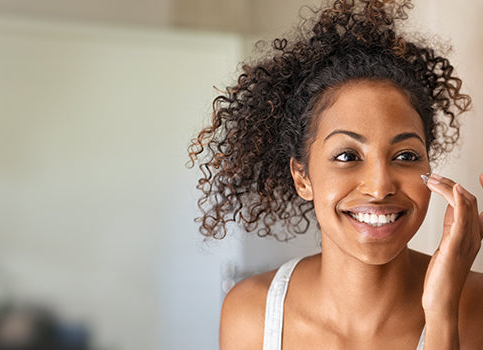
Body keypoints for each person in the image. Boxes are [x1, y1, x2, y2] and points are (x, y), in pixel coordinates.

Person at [186, 0, 483, 348]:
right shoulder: (253, 312)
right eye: (347, 155)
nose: (379, 186)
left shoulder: (477, 310)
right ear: (302, 177)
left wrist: (442, 311)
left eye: (405, 155)